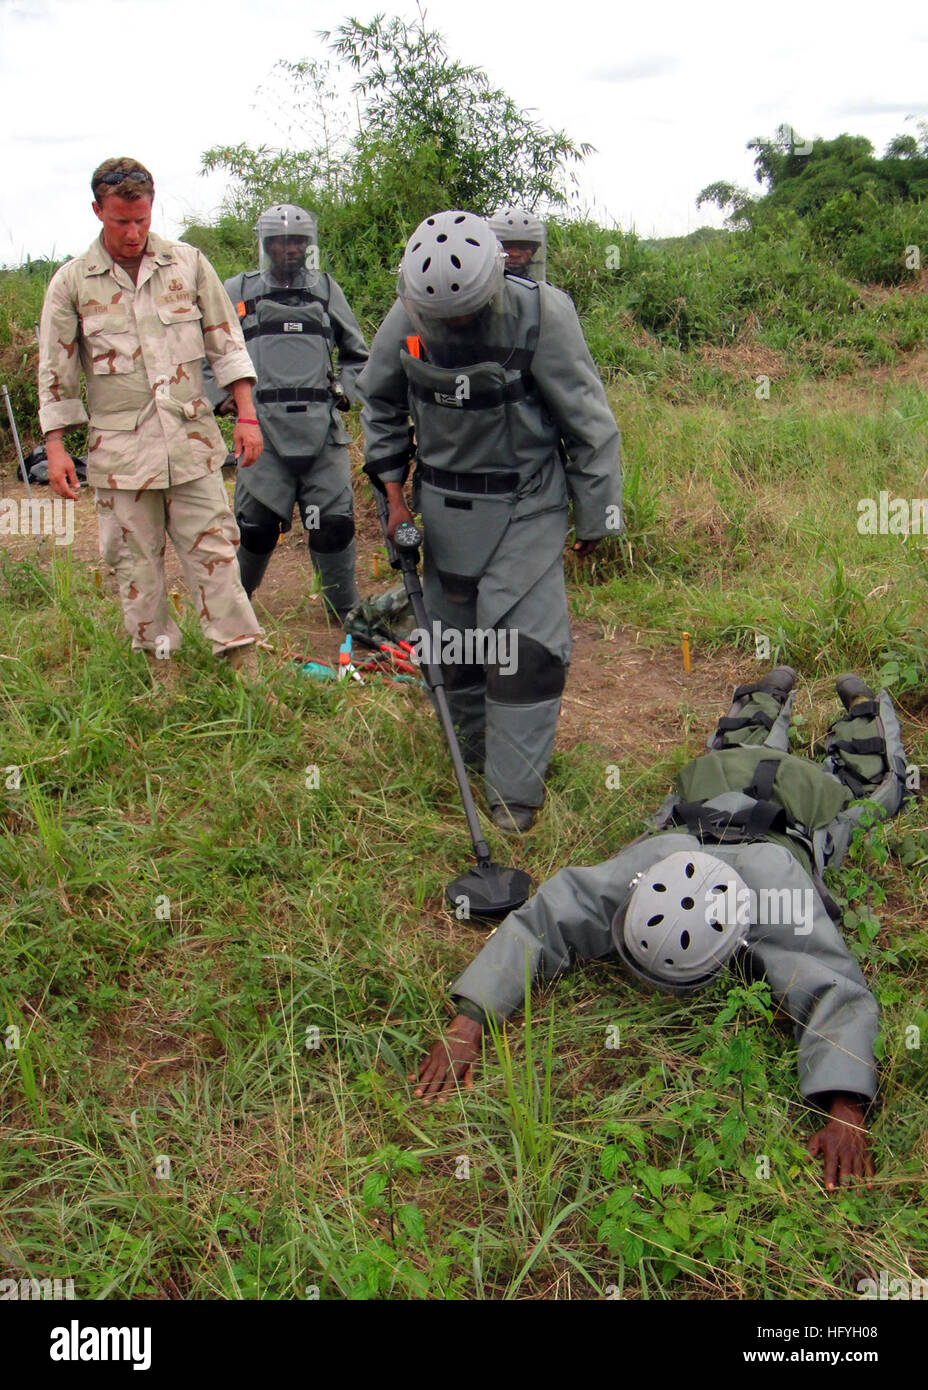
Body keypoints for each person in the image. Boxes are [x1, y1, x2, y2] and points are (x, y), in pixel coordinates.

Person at [413, 667, 910, 1190]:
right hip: (725, 780)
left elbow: (834, 986)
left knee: (872, 793)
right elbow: (545, 918)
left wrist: (845, 1107)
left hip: (793, 804)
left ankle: (857, 710)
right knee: (738, 751)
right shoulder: (649, 862)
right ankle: (774, 694)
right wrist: (470, 1021)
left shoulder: (777, 889)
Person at [358, 210, 622, 833]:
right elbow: (381, 404)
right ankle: (472, 765)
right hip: (442, 509)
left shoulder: (543, 315)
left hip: (525, 505)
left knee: (525, 652)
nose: (454, 327)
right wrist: (394, 500)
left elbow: (590, 425)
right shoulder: (407, 316)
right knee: (453, 650)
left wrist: (597, 520)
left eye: (466, 315)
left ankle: (513, 802)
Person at [38, 156, 266, 684]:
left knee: (214, 550)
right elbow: (57, 371)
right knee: (135, 567)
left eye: (141, 218)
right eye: (121, 221)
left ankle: (243, 668)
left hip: (191, 444)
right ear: (97, 211)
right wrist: (54, 448)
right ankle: (160, 674)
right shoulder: (72, 283)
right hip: (121, 457)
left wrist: (247, 416)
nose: (134, 231)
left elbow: (226, 342)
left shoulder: (186, 264)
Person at [205, 204, 369, 623]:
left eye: (297, 240)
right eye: (280, 240)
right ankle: (232, 612)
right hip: (260, 430)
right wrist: (221, 398)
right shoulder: (237, 291)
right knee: (256, 525)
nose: (289, 248)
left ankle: (343, 609)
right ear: (265, 244)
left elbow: (357, 355)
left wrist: (345, 393)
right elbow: (207, 353)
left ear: (308, 244)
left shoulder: (327, 290)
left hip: (322, 429)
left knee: (333, 523)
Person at [487, 206, 548, 283]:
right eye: (506, 247)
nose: (515, 254)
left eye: (523, 248)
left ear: (534, 250)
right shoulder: (478, 287)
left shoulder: (541, 292)